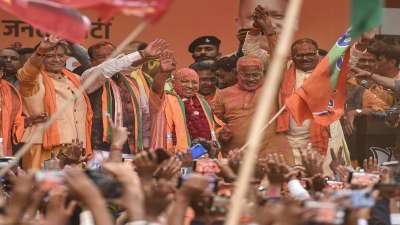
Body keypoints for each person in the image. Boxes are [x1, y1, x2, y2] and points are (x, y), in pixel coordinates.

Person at [81, 39, 167, 161]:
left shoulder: (132, 82)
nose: (108, 60)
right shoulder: (89, 77)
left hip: (130, 150)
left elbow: (144, 116)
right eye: (101, 57)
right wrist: (142, 54)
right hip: (99, 149)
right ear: (92, 62)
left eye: (112, 56)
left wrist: (146, 146)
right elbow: (106, 68)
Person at [16, 36, 93, 169]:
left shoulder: (76, 78)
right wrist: (40, 50)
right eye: (50, 56)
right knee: (39, 187)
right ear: (41, 57)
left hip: (75, 147)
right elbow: (26, 74)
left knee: (70, 188)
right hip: (42, 145)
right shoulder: (33, 80)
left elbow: (95, 67)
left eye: (61, 55)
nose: (57, 59)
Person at [213, 55, 292, 162]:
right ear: (237, 74)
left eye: (255, 75)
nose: (251, 79)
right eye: (246, 75)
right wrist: (220, 132)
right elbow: (214, 122)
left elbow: (279, 58)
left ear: (263, 73)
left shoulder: (274, 88)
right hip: (237, 156)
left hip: (272, 155)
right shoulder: (223, 94)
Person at [276, 38, 331, 165]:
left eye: (310, 54)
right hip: (291, 140)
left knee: (322, 179)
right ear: (292, 57)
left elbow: (351, 61)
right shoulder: (284, 71)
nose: (305, 58)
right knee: (291, 179)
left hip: (323, 137)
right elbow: (252, 51)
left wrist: (361, 46)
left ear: (317, 53)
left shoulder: (328, 71)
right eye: (300, 55)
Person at [151, 60, 223, 153]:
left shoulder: (203, 102)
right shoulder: (164, 99)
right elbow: (156, 90)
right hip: (171, 157)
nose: (190, 86)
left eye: (194, 82)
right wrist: (163, 73)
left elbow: (215, 127)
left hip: (200, 155)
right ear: (173, 83)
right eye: (184, 81)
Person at [0, 60, 23, 156]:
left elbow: (14, 121)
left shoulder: (10, 91)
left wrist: (28, 121)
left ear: (1, 73)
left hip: (3, 144)